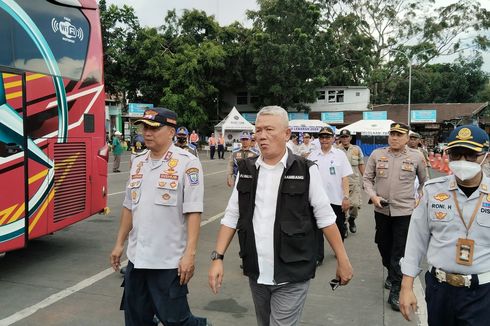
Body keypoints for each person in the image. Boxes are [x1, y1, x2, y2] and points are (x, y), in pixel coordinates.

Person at [208, 105, 353, 326]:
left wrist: (343, 260)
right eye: (258, 130)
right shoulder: (246, 169)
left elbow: (325, 218)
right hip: (257, 271)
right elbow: (231, 216)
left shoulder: (305, 170)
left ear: (286, 134)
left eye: (269, 129)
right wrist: (217, 258)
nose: (262, 136)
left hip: (292, 272)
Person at [110, 107, 209, 326]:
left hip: (168, 261)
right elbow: (129, 206)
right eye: (144, 127)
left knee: (176, 321)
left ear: (171, 132)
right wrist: (119, 244)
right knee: (136, 320)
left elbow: (193, 210)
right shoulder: (138, 161)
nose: (147, 132)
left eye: (154, 128)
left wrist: (189, 255)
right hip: (137, 259)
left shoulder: (187, 163)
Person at [399, 125, 490, 324]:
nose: (463, 161)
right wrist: (406, 287)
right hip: (439, 289)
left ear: (486, 156)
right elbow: (416, 240)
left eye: (471, 155)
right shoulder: (432, 191)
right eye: (456, 154)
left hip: (482, 292)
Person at [363, 122, 427, 311]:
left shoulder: (416, 156)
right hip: (381, 210)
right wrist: (373, 196)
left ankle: (396, 290)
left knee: (399, 250)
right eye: (392, 134)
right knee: (383, 245)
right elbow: (367, 178)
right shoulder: (377, 154)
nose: (395, 137)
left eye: (399, 134)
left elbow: (425, 182)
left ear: (407, 138)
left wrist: (419, 200)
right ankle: (392, 272)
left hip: (405, 212)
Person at [309, 127, 353, 265]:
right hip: (317, 199)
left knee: (338, 226)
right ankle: (318, 256)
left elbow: (345, 177)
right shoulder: (312, 156)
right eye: (321, 137)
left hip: (336, 198)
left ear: (333, 138)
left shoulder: (340, 155)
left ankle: (338, 250)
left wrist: (346, 197)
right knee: (317, 229)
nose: (324, 140)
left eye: (327, 137)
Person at [337, 129, 365, 234]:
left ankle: (352, 220)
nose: (345, 139)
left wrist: (366, 180)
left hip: (354, 181)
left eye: (346, 136)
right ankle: (344, 225)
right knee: (343, 206)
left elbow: (361, 164)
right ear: (340, 138)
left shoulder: (356, 149)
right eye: (342, 137)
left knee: (355, 205)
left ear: (350, 137)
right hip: (340, 183)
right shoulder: (335, 149)